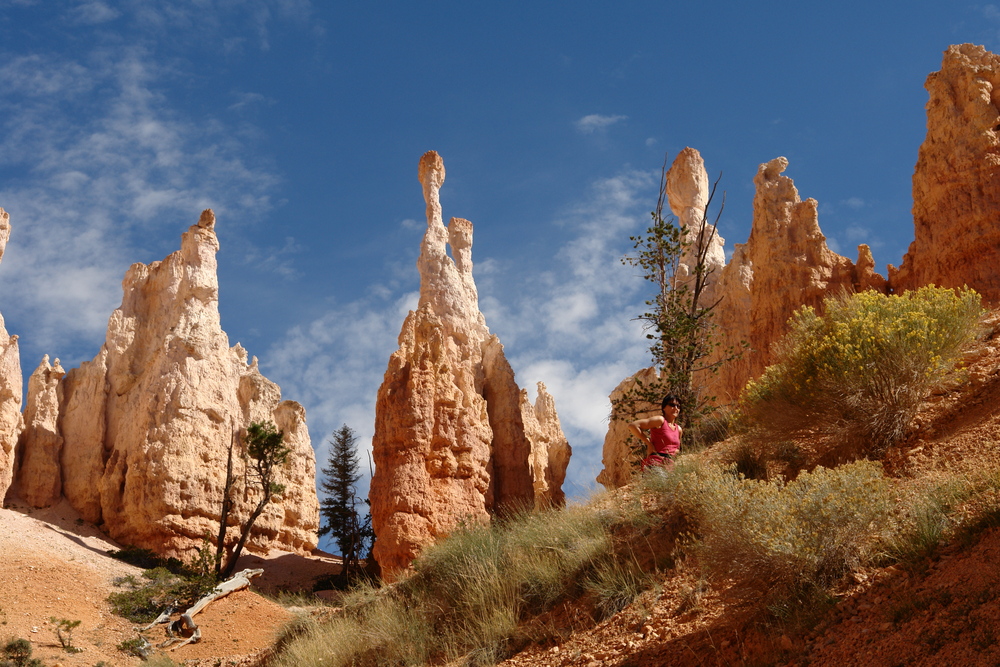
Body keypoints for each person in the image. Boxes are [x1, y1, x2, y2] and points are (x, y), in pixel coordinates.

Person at [629, 395, 682, 470]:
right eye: (672, 405)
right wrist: (648, 443)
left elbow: (677, 448)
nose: (676, 408)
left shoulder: (678, 429)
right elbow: (633, 426)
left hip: (670, 467)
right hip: (655, 463)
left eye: (678, 406)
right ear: (664, 407)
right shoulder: (660, 420)